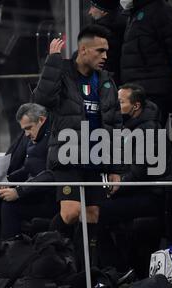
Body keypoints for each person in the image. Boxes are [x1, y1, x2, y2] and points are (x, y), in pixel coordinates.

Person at [32, 25, 122, 269]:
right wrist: (52, 62)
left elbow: (114, 125)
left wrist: (114, 167)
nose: (105, 56)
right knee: (71, 213)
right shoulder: (62, 73)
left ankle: (86, 273)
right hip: (68, 155)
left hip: (95, 158)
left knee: (92, 214)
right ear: (83, 50)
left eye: (107, 51)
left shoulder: (106, 82)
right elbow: (41, 100)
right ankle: (44, 259)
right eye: (100, 51)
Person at [0, 103, 56, 288]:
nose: (25, 134)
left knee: (10, 206)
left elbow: (50, 175)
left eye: (28, 128)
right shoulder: (34, 139)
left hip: (50, 199)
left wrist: (18, 191)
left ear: (41, 120)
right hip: (34, 193)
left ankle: (8, 270)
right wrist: (6, 181)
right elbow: (28, 169)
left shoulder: (54, 138)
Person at [97, 83, 170, 275]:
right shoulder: (128, 128)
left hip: (150, 195)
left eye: (120, 102)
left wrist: (111, 187)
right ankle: (116, 269)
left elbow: (139, 174)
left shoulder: (149, 131)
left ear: (136, 106)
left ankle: (118, 270)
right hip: (133, 191)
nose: (115, 106)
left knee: (93, 212)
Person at [120, 0, 172, 126]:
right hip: (136, 92)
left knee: (149, 140)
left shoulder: (160, 11)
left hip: (154, 93)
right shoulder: (134, 14)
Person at [88, 0, 127, 86]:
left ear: (103, 10)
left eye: (93, 7)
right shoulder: (126, 23)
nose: (89, 12)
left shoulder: (101, 32)